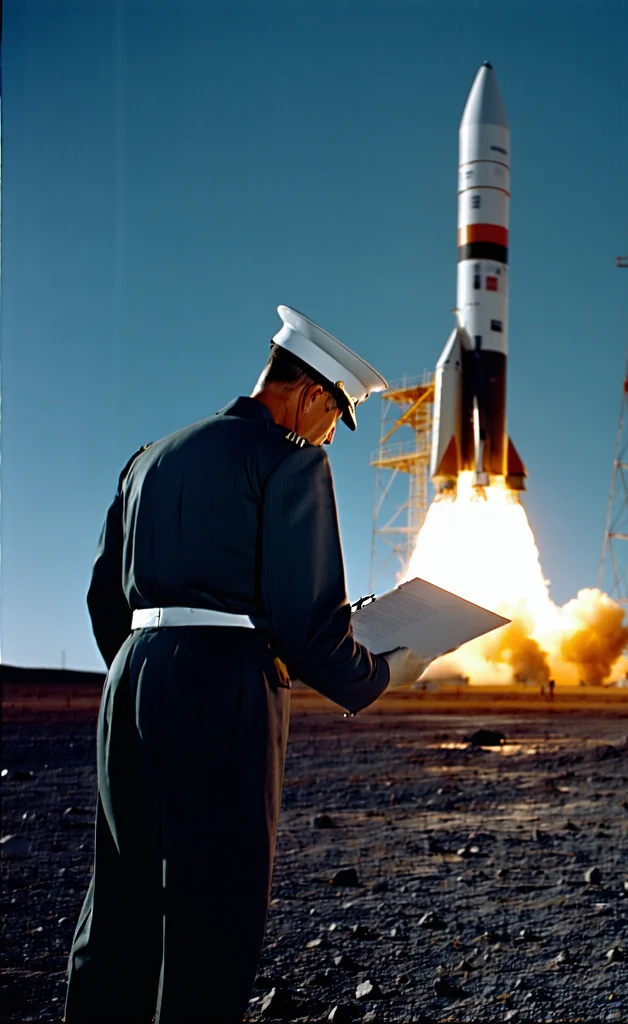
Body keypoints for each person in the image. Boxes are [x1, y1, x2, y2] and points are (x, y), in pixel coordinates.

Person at [65, 306, 430, 1023]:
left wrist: (149, 674)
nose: (331, 435)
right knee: (214, 914)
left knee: (118, 903)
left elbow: (102, 598)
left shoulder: (149, 457)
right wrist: (387, 672)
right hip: (225, 693)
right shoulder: (291, 461)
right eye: (336, 417)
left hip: (130, 682)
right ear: (314, 395)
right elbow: (309, 629)